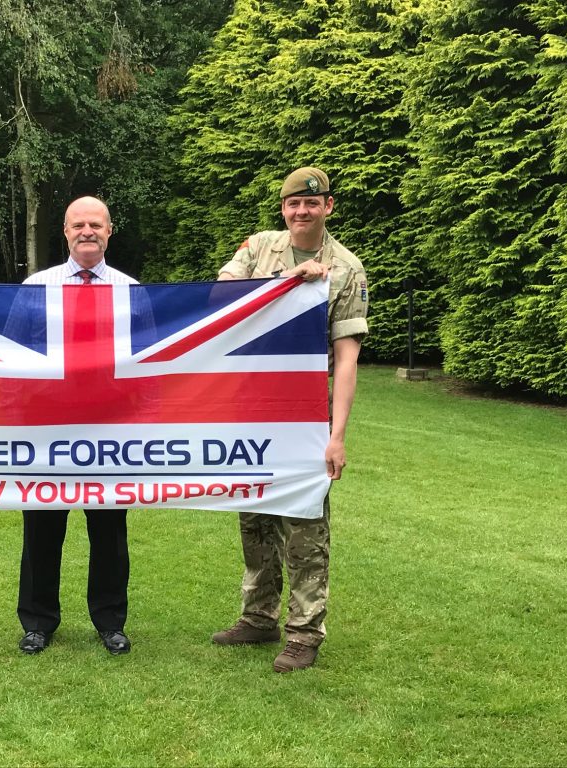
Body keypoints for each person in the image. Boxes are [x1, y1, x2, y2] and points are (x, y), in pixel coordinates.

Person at [211, 167, 368, 672]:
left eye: (312, 204)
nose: (301, 211)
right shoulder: (259, 248)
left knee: (304, 522)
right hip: (249, 407)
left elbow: (346, 358)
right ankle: (259, 616)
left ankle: (304, 631)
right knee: (254, 515)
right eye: (292, 204)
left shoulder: (346, 269)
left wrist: (336, 436)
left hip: (302, 413)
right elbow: (219, 301)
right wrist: (286, 282)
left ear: (329, 207)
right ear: (283, 208)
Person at [16, 196, 137, 656]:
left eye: (96, 225)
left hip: (110, 435)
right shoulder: (36, 287)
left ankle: (110, 622)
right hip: (46, 433)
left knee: (110, 534)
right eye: (78, 225)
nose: (87, 231)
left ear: (110, 231)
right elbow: (12, 358)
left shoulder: (129, 289)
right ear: (64, 231)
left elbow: (145, 368)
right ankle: (37, 622)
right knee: (41, 532)